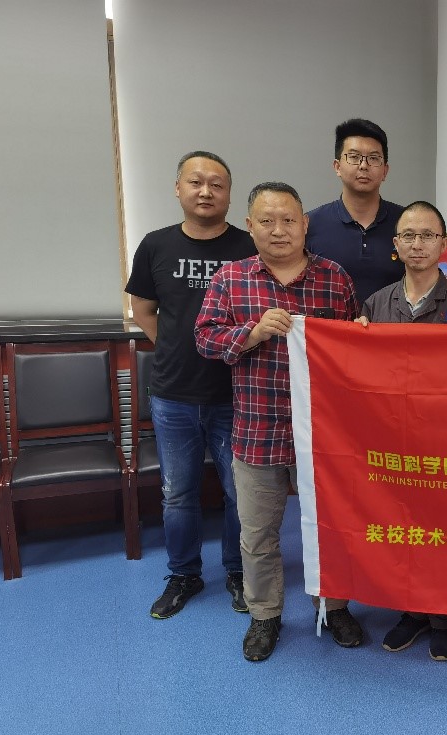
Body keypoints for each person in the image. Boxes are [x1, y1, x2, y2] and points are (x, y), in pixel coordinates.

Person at [195, 182, 362, 662]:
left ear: (305, 224)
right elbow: (204, 339)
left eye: (288, 220)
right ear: (250, 226)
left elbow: (357, 345)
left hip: (323, 435)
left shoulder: (334, 278)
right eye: (266, 221)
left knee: (330, 528)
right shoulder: (231, 278)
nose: (279, 230)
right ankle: (265, 615)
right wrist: (252, 333)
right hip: (257, 431)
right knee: (258, 535)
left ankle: (333, 607)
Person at [125, 151, 255, 620]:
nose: (205, 191)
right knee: (177, 493)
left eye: (217, 184)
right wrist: (179, 346)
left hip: (236, 392)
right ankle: (183, 574)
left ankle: (239, 571)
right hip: (173, 394)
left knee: (240, 492)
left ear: (229, 194)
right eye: (195, 182)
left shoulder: (249, 246)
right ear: (178, 188)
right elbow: (143, 309)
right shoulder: (155, 245)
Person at [356, 201, 447, 662]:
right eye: (408, 235)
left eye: (427, 235)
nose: (417, 244)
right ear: (396, 244)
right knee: (401, 527)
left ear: (444, 245)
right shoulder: (376, 304)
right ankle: (410, 611)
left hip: (446, 442)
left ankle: (444, 618)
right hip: (392, 442)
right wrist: (355, 339)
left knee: (443, 531)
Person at [305, 118, 405, 303]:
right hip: (330, 322)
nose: (364, 165)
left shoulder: (407, 224)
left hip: (394, 322)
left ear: (385, 171)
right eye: (354, 157)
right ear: (337, 167)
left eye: (373, 158)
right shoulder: (310, 225)